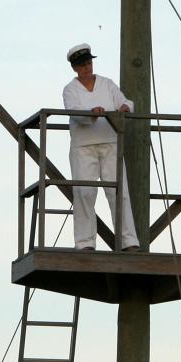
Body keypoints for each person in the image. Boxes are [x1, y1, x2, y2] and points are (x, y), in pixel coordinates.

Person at [62, 43, 140, 251]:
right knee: (84, 192)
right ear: (75, 68)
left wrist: (124, 107)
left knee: (118, 192)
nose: (87, 67)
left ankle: (128, 241)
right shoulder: (70, 89)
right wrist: (90, 112)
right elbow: (74, 111)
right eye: (82, 65)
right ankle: (85, 242)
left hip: (110, 141)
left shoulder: (107, 84)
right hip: (83, 146)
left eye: (88, 63)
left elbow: (126, 102)